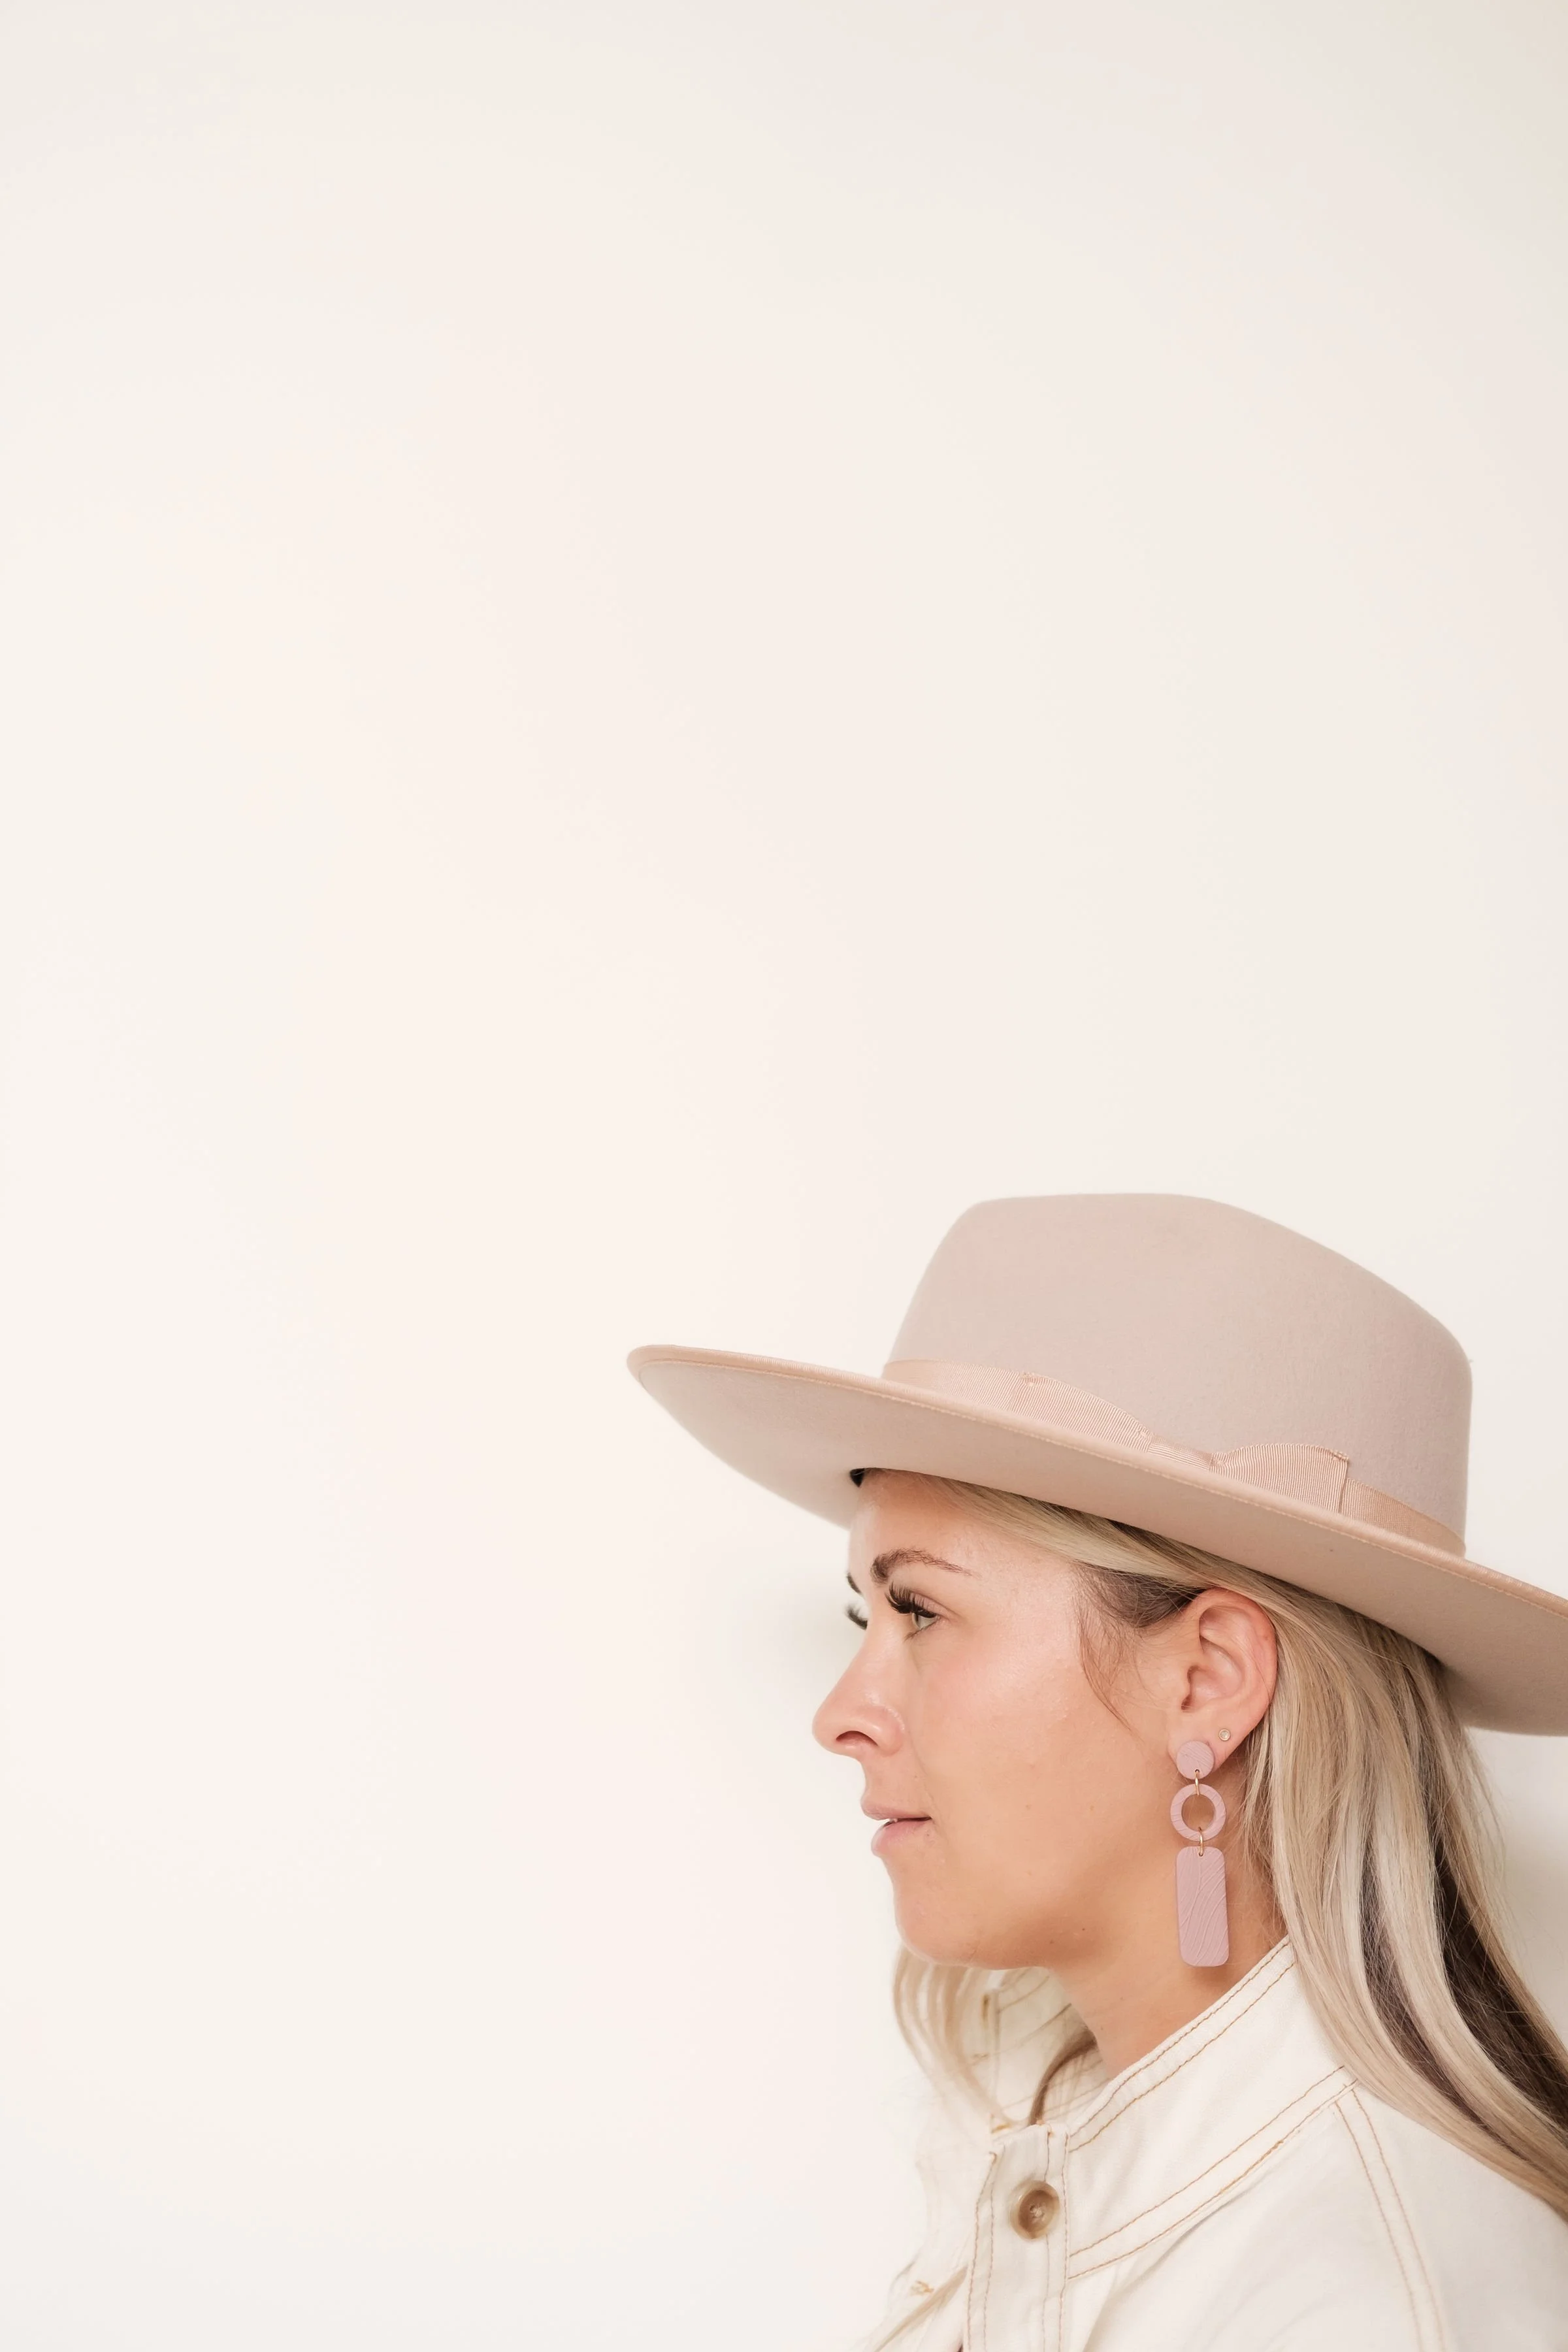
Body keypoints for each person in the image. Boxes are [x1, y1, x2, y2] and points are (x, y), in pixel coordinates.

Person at [630, 1194, 1568, 2350]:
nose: (840, 1717)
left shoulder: (1363, 2304)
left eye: (920, 1610)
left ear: (1210, 1680)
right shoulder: (1053, 2147)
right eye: (863, 1616)